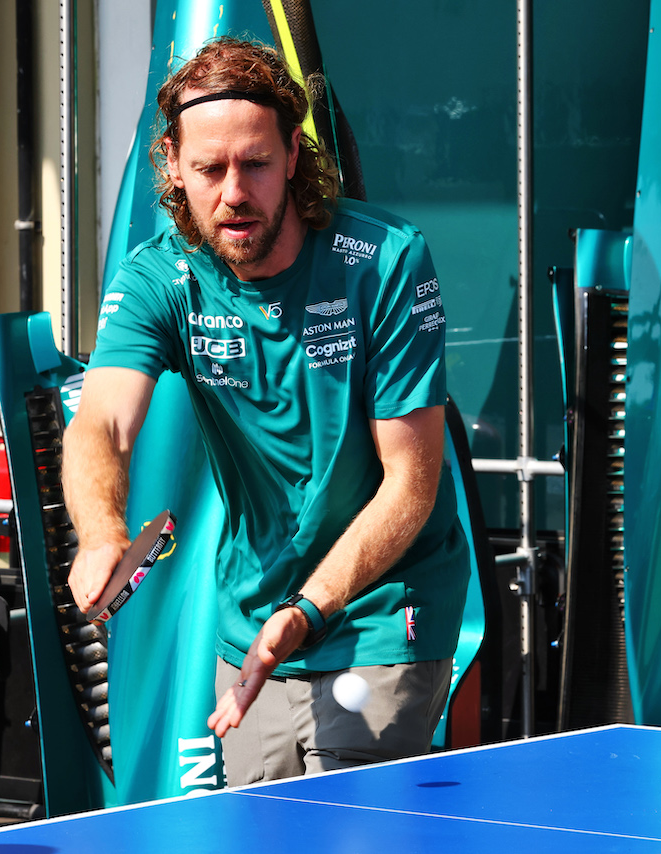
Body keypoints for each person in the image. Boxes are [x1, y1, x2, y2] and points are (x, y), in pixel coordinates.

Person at [61, 36, 469, 784]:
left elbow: (410, 484)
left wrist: (308, 611)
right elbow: (102, 424)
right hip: (251, 622)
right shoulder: (160, 279)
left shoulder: (384, 260)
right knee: (257, 831)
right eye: (210, 170)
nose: (234, 192)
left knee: (344, 835)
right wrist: (99, 534)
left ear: (293, 156)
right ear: (176, 171)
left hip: (378, 613)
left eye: (255, 163)